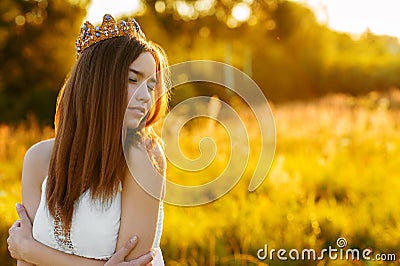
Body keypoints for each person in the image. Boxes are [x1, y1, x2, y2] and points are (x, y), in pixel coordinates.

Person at [7, 13, 169, 265]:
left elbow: (135, 262)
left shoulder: (143, 156)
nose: (147, 97)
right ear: (97, 83)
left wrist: (30, 249)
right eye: (132, 79)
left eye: (150, 86)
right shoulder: (39, 159)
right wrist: (27, 254)